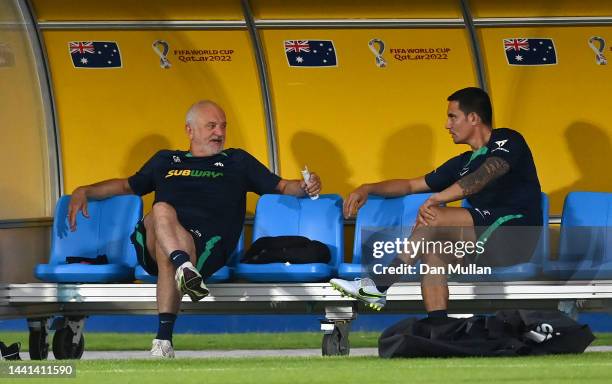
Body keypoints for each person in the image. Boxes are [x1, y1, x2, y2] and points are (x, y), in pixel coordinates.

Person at [67, 100, 321, 358]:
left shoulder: (237, 161)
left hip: (207, 247)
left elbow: (283, 187)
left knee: (169, 246)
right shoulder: (165, 160)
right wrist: (85, 190)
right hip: (158, 243)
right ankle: (184, 270)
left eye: (223, 126)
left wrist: (306, 185)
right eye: (211, 126)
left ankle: (164, 337)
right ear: (190, 131)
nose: (219, 133)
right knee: (161, 211)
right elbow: (126, 186)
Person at [330, 87, 542, 318]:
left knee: (435, 216)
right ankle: (439, 327)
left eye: (452, 117)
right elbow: (411, 185)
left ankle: (380, 284)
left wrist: (436, 199)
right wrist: (368, 188)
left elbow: (482, 177)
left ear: (473, 118)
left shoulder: (508, 139)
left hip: (518, 236)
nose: (447, 125)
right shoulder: (461, 163)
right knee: (433, 251)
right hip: (486, 242)